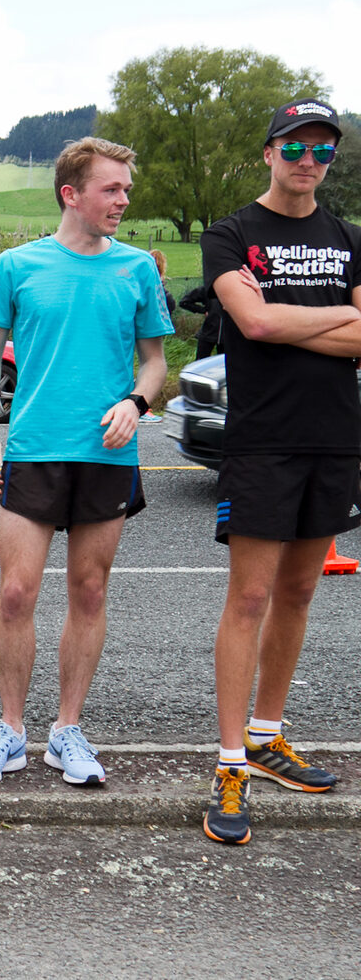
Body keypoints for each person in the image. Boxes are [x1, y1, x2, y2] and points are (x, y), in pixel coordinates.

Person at [0, 136, 171, 787]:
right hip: (30, 451)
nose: (123, 200)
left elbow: (157, 361)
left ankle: (66, 733)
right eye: (112, 189)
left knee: (89, 590)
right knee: (17, 591)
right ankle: (11, 732)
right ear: (71, 194)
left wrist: (137, 402)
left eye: (126, 190)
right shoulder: (18, 266)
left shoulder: (137, 269)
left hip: (107, 454)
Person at [200, 98, 360, 845]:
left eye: (323, 152)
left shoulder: (349, 237)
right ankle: (231, 762)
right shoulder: (231, 234)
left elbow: (279, 322)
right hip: (262, 441)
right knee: (251, 596)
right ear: (269, 152)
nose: (308, 162)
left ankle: (266, 738)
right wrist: (327, 321)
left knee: (299, 590)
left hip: (335, 438)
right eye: (296, 148)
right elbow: (252, 323)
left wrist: (282, 319)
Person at [137, 250, 177, 422]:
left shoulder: (145, 275)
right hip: (152, 330)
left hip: (146, 330)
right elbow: (171, 304)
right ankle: (142, 409)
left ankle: (140, 407)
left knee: (145, 364)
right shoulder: (155, 284)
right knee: (146, 363)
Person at [177, 283, 224, 360]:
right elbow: (184, 302)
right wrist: (202, 310)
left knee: (224, 364)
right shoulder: (207, 289)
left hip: (227, 336)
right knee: (200, 362)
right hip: (208, 332)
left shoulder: (235, 290)